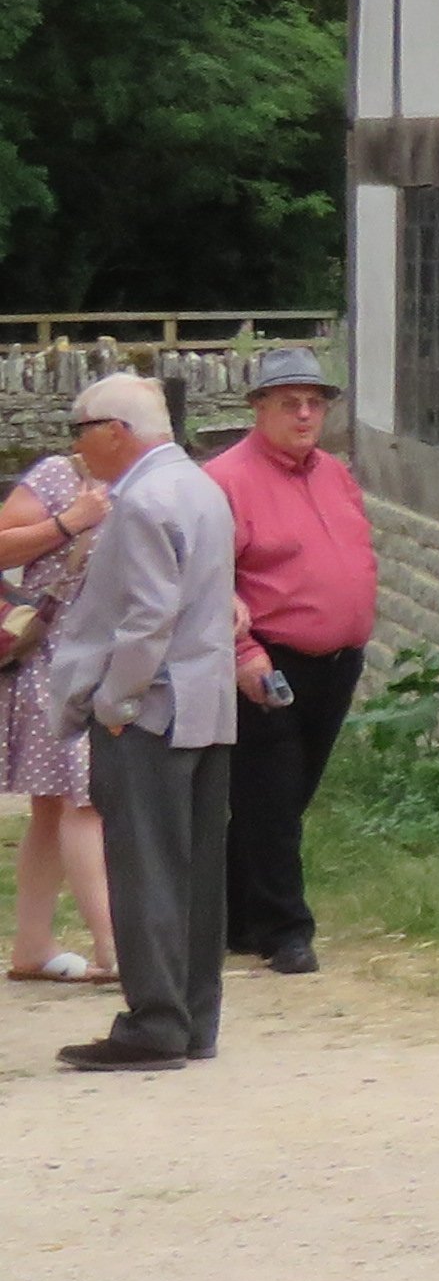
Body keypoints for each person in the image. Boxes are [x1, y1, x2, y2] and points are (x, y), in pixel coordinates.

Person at [43, 376, 244, 1074]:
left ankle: (155, 1022)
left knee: (147, 870)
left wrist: (115, 704)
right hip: (207, 705)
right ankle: (194, 1018)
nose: (76, 446)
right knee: (195, 875)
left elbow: (145, 618)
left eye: (80, 429)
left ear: (115, 432)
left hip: (154, 710)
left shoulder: (142, 500)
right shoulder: (201, 487)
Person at [200, 339, 379, 975]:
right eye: (288, 403)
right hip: (269, 658)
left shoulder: (334, 473)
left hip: (337, 660)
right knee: (271, 796)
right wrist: (244, 652)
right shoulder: (225, 481)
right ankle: (286, 930)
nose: (304, 415)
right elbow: (211, 582)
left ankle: (227, 917)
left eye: (313, 404)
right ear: (259, 408)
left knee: (285, 795)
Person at [1, 436, 116, 987]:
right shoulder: (58, 476)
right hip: (53, 658)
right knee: (83, 798)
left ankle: (32, 944)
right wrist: (70, 521)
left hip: (100, 657)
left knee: (52, 805)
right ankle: (115, 949)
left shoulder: (144, 481)